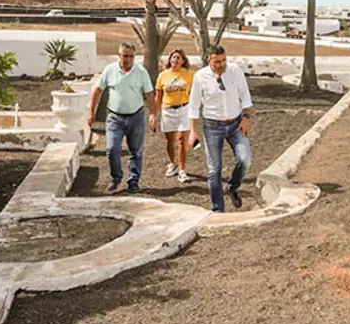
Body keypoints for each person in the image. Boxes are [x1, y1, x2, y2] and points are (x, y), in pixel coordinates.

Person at [187, 45, 252, 212]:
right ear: (209, 60)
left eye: (224, 60)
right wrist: (193, 131)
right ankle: (218, 209)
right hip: (212, 126)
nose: (222, 64)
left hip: (235, 123)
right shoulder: (200, 77)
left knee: (245, 160)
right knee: (214, 169)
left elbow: (245, 95)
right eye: (217, 62)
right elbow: (193, 106)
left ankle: (232, 187)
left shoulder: (235, 71)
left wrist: (245, 118)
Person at [88, 42, 153, 193]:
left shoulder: (141, 72)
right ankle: (115, 178)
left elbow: (149, 94)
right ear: (119, 56)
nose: (127, 59)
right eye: (125, 56)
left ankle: (133, 181)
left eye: (130, 56)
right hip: (115, 118)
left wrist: (153, 115)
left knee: (135, 151)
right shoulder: (110, 70)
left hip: (136, 116)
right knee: (112, 149)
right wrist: (91, 112)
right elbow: (97, 91)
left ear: (134, 57)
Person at [150, 48, 196, 183]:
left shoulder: (190, 74)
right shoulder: (163, 76)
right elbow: (158, 97)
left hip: (184, 109)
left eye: (178, 58)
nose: (175, 60)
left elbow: (197, 90)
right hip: (168, 111)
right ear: (170, 60)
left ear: (183, 61)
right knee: (170, 140)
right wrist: (153, 114)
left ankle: (182, 170)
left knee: (182, 139)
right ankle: (172, 163)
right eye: (173, 58)